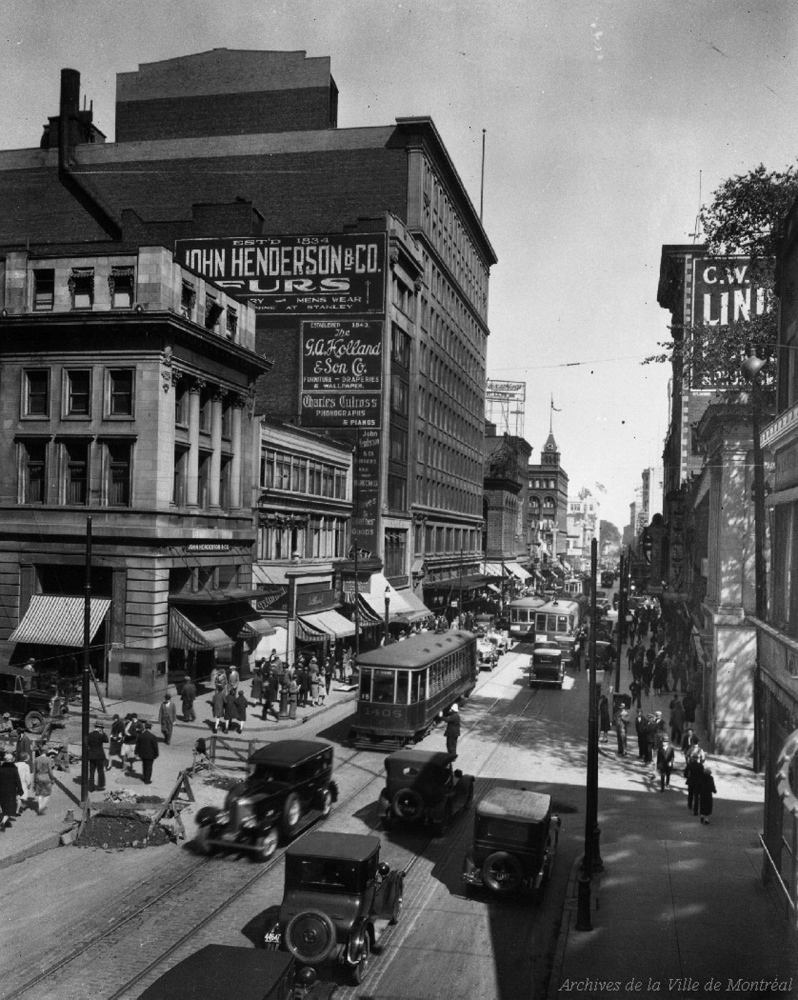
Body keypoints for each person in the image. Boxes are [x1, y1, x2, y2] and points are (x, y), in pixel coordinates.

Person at [0, 752, 23, 829]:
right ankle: (3, 822)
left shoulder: (1, 768)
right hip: (11, 790)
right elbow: (17, 780)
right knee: (10, 807)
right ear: (11, 760)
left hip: (2, 790)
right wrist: (20, 790)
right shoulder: (14, 769)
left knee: (4, 806)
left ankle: (7, 822)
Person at [87, 720, 109, 792]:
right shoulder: (101, 735)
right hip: (99, 755)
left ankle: (91, 787)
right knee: (100, 771)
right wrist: (103, 733)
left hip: (91, 755)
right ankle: (100, 785)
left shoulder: (90, 734)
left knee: (92, 771)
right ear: (101, 728)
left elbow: (87, 744)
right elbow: (106, 740)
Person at [685, 739, 706, 814]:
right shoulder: (700, 750)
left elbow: (687, 756)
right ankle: (696, 810)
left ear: (693, 742)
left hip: (691, 778)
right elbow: (703, 758)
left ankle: (690, 805)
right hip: (698, 779)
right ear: (698, 743)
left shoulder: (690, 749)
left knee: (690, 793)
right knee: (696, 795)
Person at [33, 746, 54, 814]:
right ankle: (42, 807)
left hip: (38, 777)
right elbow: (50, 771)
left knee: (39, 793)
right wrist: (52, 778)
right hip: (46, 777)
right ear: (46, 751)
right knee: (47, 793)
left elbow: (35, 771)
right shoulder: (48, 759)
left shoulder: (37, 759)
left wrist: (34, 780)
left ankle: (39, 807)